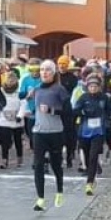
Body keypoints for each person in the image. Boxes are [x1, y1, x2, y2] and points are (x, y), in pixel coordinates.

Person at [32, 60, 70, 212]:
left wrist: (52, 111)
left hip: (55, 132)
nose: (44, 73)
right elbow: (35, 110)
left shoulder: (59, 90)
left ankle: (59, 191)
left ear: (53, 73)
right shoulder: (37, 90)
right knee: (38, 165)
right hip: (39, 132)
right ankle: (40, 199)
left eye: (47, 70)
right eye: (42, 70)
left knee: (55, 164)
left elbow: (68, 112)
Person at [73, 74, 111, 196]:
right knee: (86, 152)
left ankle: (89, 182)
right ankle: (91, 173)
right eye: (91, 86)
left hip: (98, 131)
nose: (93, 88)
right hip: (85, 131)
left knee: (93, 155)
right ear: (87, 87)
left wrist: (106, 123)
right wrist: (82, 112)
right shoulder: (83, 97)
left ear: (99, 87)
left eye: (95, 86)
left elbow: (108, 111)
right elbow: (75, 110)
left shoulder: (104, 98)